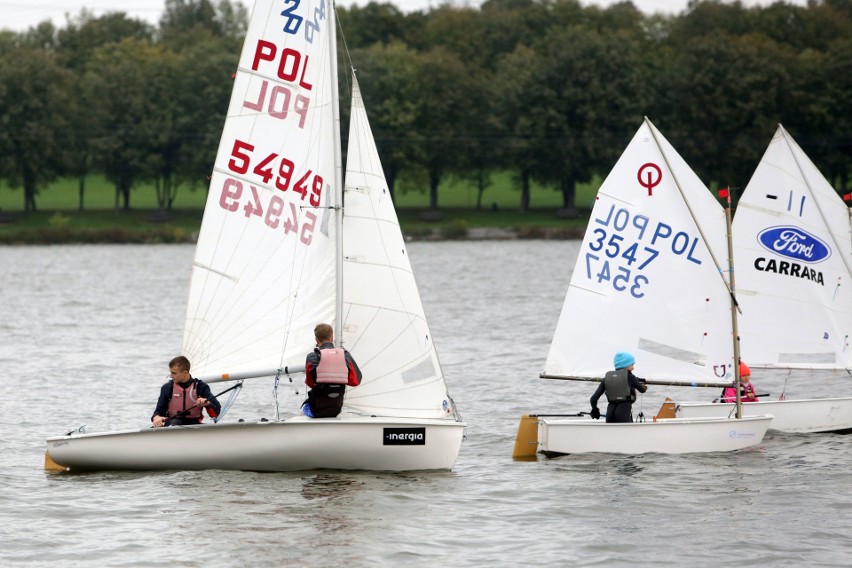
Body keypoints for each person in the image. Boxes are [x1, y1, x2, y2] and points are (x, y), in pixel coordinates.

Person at [303, 323, 362, 418]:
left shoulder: (312, 357)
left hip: (316, 410)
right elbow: (356, 381)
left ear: (317, 340)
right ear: (331, 338)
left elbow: (310, 383)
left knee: (304, 407)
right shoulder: (345, 355)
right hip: (336, 409)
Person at [151, 356, 221, 427]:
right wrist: (156, 417)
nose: (171, 376)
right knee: (176, 422)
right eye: (170, 372)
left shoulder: (201, 387)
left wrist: (207, 404)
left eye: (174, 373)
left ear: (185, 373)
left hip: (194, 424)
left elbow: (217, 413)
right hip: (172, 424)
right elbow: (158, 412)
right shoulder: (167, 388)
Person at [589, 351, 648, 423]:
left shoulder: (607, 378)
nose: (633, 368)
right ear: (626, 365)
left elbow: (593, 399)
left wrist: (595, 410)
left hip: (609, 415)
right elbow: (642, 390)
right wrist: (644, 385)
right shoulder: (630, 377)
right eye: (632, 364)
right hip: (623, 415)